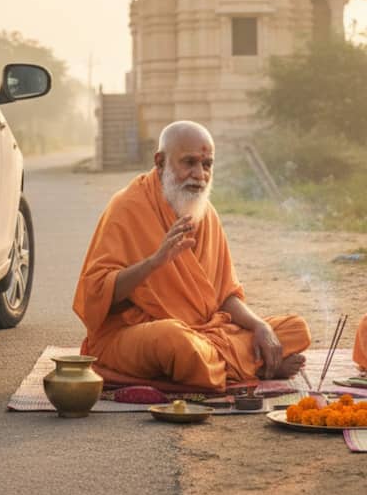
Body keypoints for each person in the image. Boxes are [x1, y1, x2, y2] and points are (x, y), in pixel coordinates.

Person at [73, 120, 311, 390]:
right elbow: (96, 295)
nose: (199, 174)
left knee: (295, 328)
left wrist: (260, 327)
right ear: (160, 162)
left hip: (206, 334)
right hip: (137, 336)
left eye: (207, 164)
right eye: (189, 162)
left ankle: (222, 366)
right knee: (175, 340)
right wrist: (154, 262)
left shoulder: (206, 214)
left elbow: (225, 295)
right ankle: (256, 366)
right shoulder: (126, 207)